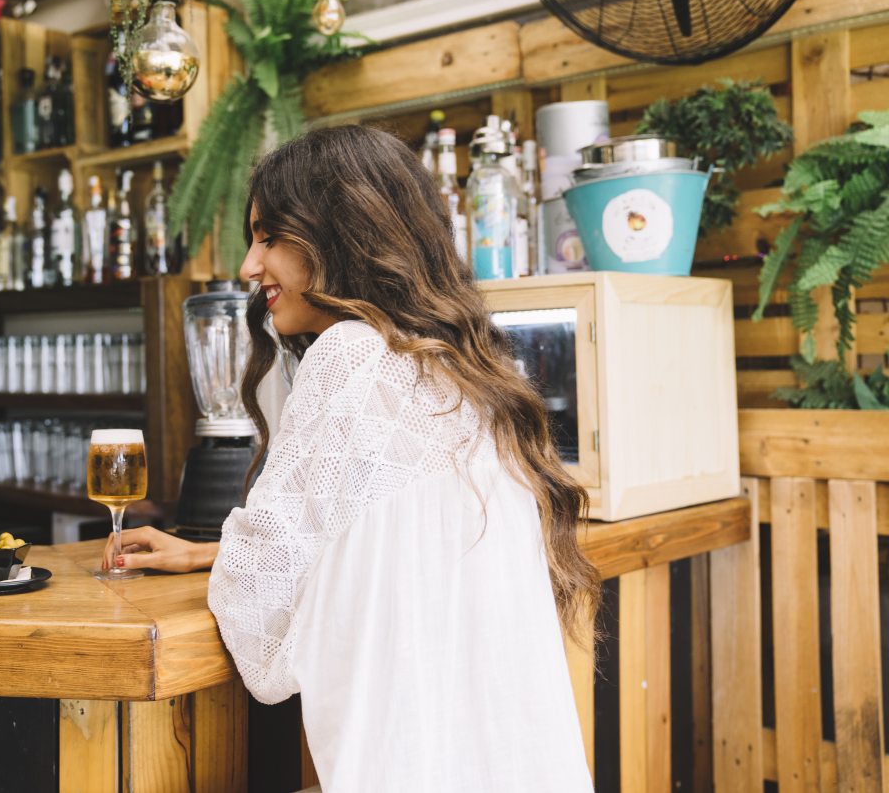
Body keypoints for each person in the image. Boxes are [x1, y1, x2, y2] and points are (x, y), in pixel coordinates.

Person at [106, 126, 598, 790]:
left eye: (268, 236)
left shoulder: (352, 354)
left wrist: (238, 558)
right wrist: (211, 551)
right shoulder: (465, 369)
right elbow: (382, 544)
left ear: (340, 233)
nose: (250, 267)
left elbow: (262, 604)